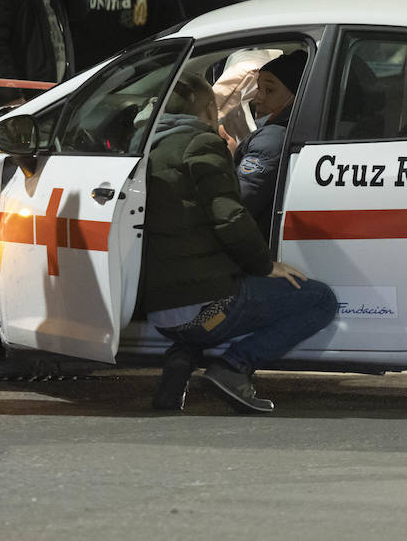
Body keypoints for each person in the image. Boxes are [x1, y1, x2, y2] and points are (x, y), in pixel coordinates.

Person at [143, 73, 337, 413]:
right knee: (320, 299)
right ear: (207, 110)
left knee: (203, 299)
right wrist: (265, 265)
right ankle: (233, 368)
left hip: (160, 312)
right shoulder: (201, 144)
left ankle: (178, 362)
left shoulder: (148, 148)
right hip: (207, 308)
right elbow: (231, 218)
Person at [225, 50, 307, 233]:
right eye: (258, 88)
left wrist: (228, 159)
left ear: (296, 96)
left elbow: (239, 203)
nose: (257, 99)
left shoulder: (271, 138)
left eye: (269, 90)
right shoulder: (283, 133)